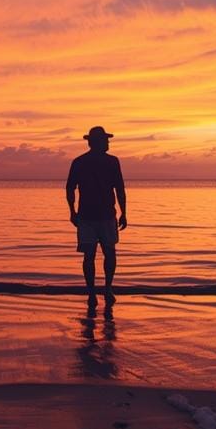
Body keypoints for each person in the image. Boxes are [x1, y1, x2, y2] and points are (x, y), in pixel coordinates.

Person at [66, 125, 127, 303]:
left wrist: (72, 211)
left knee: (91, 256)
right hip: (100, 215)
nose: (108, 142)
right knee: (108, 253)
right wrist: (124, 213)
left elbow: (70, 189)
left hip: (90, 215)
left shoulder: (79, 162)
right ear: (96, 143)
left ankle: (94, 293)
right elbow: (120, 190)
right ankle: (105, 290)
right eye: (105, 140)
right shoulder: (111, 162)